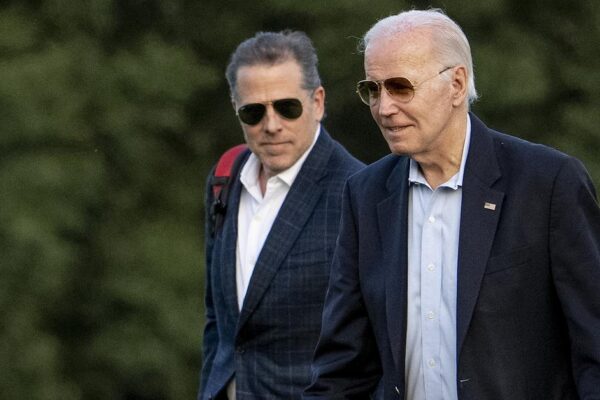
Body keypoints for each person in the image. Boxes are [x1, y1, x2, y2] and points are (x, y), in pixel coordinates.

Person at [304, 8, 600, 400]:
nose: (384, 107)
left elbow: (594, 348)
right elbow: (342, 368)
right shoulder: (365, 194)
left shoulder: (548, 183)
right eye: (372, 90)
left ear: (457, 84)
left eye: (400, 87)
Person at [198, 30, 364, 400]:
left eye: (287, 107)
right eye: (253, 112)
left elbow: (373, 345)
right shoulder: (225, 177)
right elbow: (219, 323)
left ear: (318, 102)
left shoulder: (358, 192)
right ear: (235, 108)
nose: (271, 125)